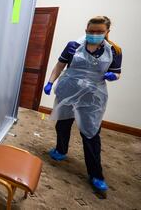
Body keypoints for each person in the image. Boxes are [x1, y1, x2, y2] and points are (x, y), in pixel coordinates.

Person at [43, 16, 122, 195]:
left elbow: (117, 73)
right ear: (86, 30)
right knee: (63, 123)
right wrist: (50, 82)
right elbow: (59, 66)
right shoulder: (73, 45)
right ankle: (60, 150)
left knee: (91, 133)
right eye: (91, 31)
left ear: (107, 32)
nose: (94, 34)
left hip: (92, 98)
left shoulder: (114, 51)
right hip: (68, 91)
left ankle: (96, 174)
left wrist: (113, 76)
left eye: (99, 32)